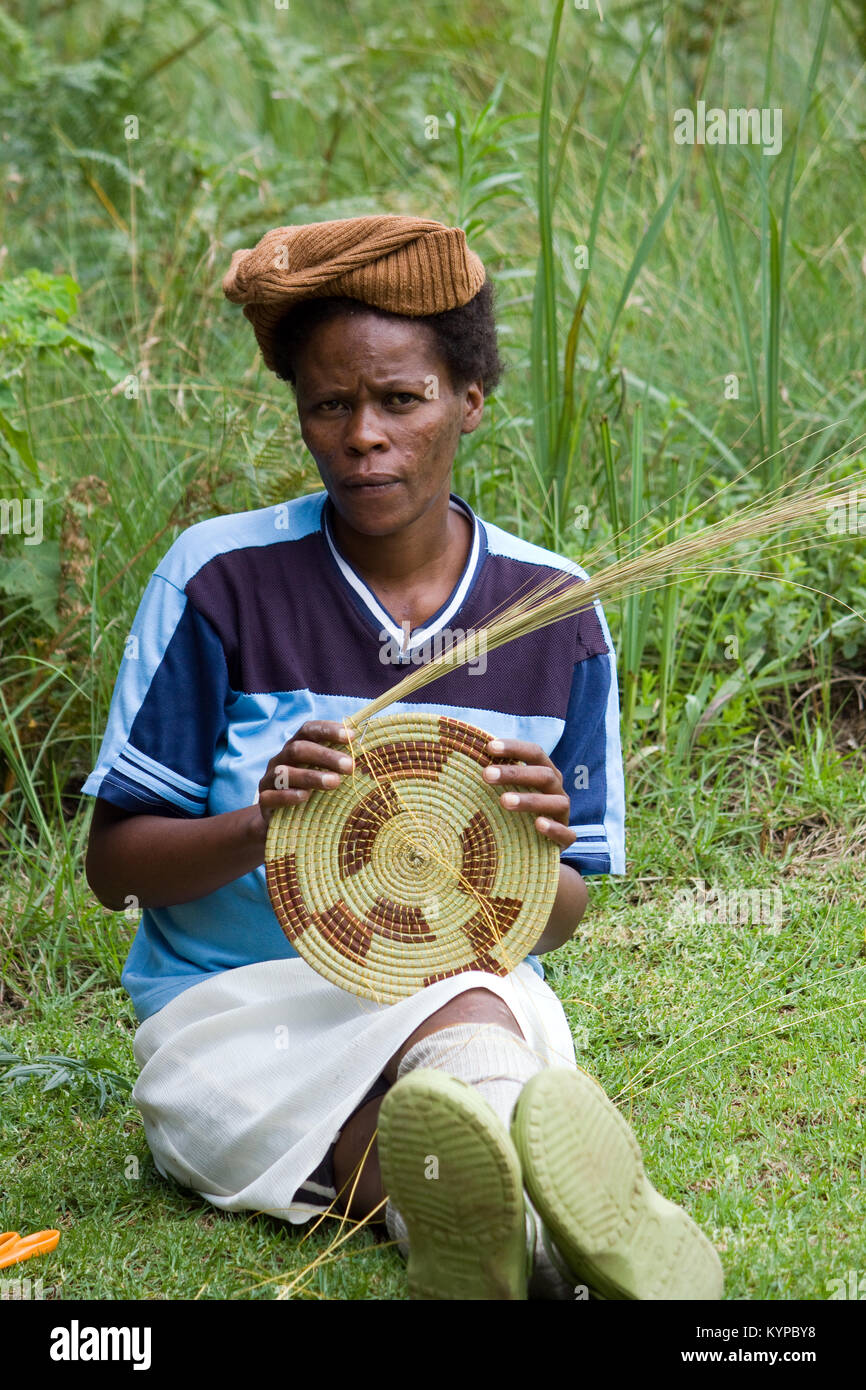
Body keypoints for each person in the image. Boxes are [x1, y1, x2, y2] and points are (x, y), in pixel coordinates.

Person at [84, 214, 722, 1300]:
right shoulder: (220, 579)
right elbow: (115, 866)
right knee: (413, 1132)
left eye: (399, 400)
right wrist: (264, 824)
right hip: (239, 1007)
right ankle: (545, 1243)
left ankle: (502, 1236)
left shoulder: (551, 611)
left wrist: (530, 852)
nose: (362, 435)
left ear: (467, 402)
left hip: (455, 981)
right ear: (301, 420)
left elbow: (559, 911)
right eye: (330, 406)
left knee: (469, 1020)